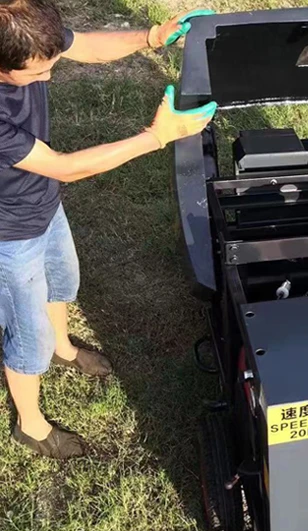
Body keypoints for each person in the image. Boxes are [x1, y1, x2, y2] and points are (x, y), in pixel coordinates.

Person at [0, 0, 217, 459]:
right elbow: (65, 167)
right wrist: (156, 137)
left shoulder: (25, 33)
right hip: (9, 233)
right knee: (28, 335)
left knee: (62, 282)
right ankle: (30, 425)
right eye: (36, 73)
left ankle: (63, 349)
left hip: (41, 202)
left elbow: (86, 46)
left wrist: (152, 37)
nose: (49, 78)